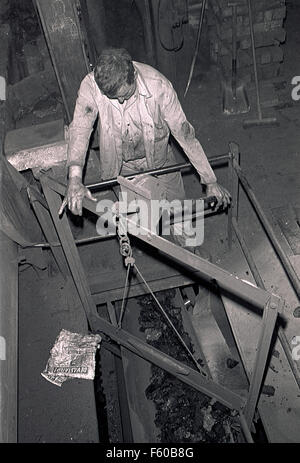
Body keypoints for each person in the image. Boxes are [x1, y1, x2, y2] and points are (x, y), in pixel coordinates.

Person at [60, 48, 230, 249]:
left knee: (178, 208)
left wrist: (210, 179)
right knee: (140, 218)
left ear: (133, 75)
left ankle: (190, 252)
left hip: (161, 160)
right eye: (114, 98)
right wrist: (74, 179)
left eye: (125, 94)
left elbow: (184, 134)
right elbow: (80, 128)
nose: (121, 101)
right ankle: (141, 243)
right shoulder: (91, 86)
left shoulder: (158, 86)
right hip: (122, 166)